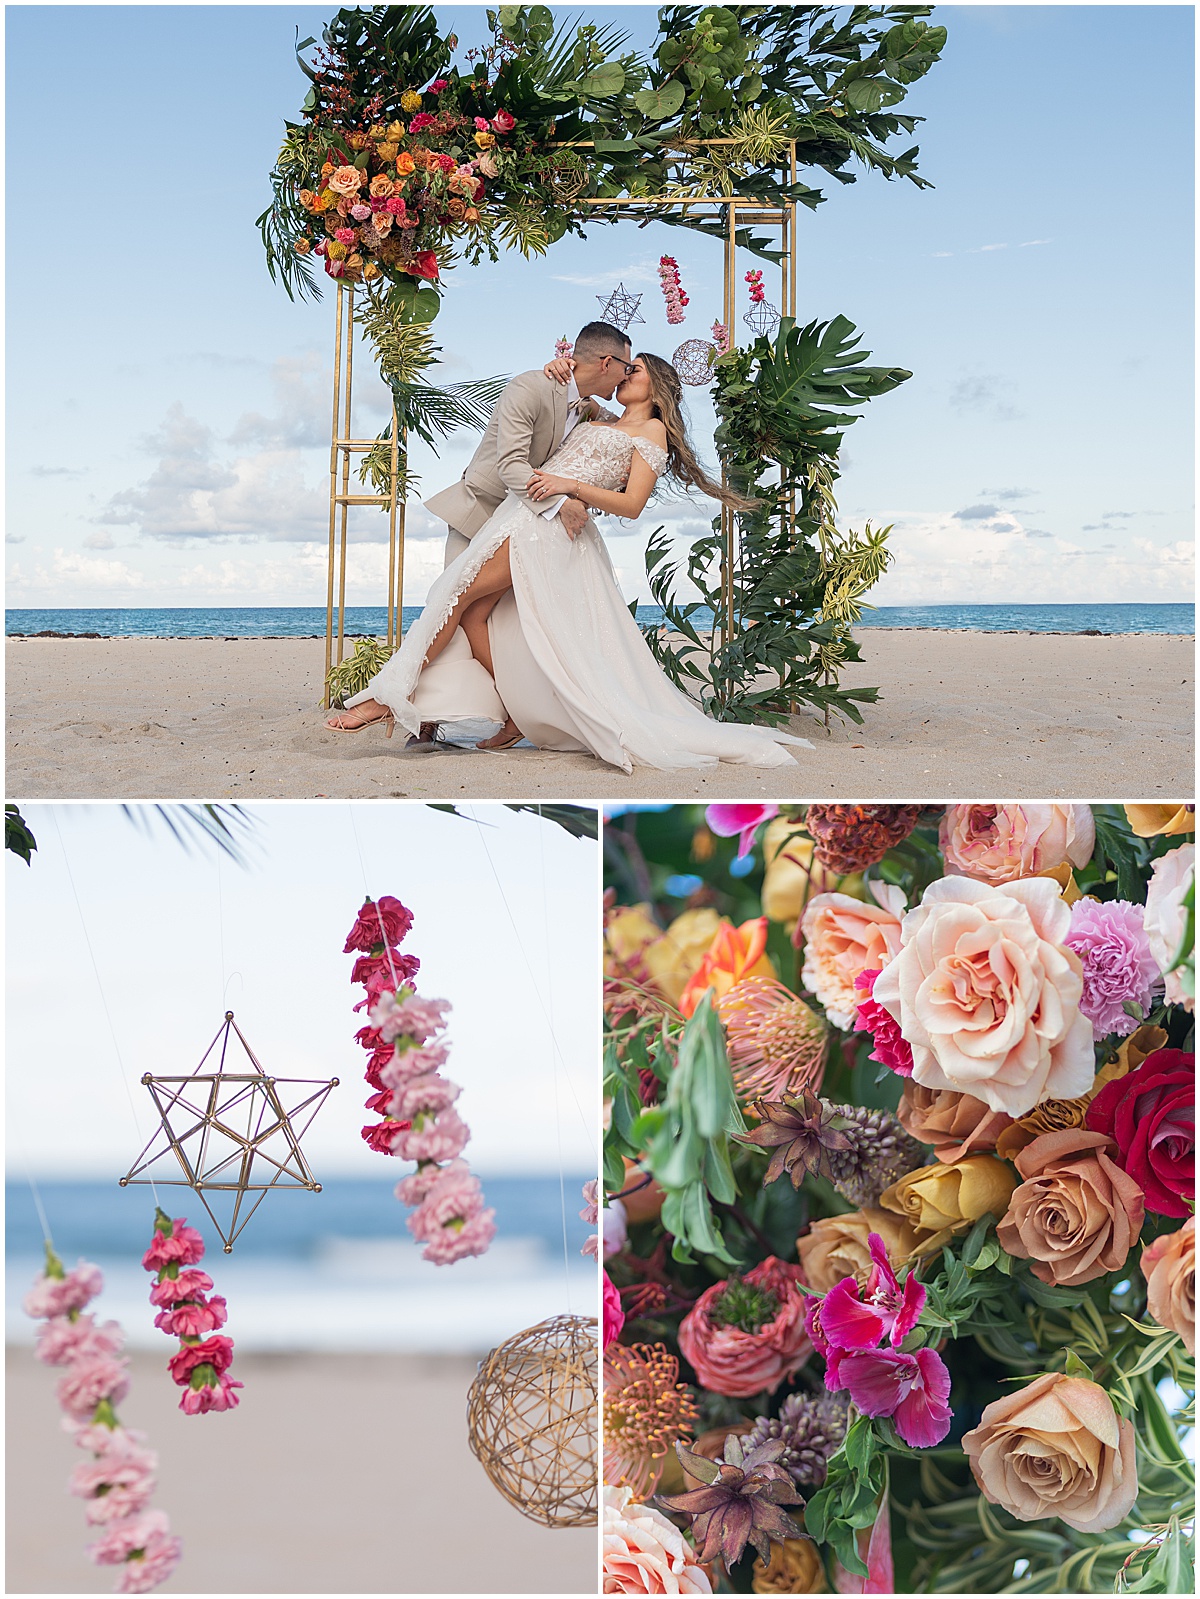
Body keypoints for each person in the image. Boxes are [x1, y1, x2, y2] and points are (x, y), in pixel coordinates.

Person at [327, 349, 811, 772]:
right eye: (623, 367)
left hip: (546, 527)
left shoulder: (653, 432)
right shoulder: (599, 418)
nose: (624, 375)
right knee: (475, 612)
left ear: (657, 385)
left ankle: (385, 697)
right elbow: (556, 407)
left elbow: (631, 504)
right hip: (521, 514)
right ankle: (512, 710)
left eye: (635, 370)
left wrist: (568, 488)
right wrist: (559, 369)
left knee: (453, 596)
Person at [325, 319, 630, 748]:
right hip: (480, 512)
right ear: (606, 361)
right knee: (449, 604)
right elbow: (510, 467)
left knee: (491, 621)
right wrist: (562, 502)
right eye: (626, 366)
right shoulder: (531, 387)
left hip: (524, 524)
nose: (627, 375)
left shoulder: (587, 406)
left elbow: (625, 432)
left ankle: (503, 714)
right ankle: (418, 718)